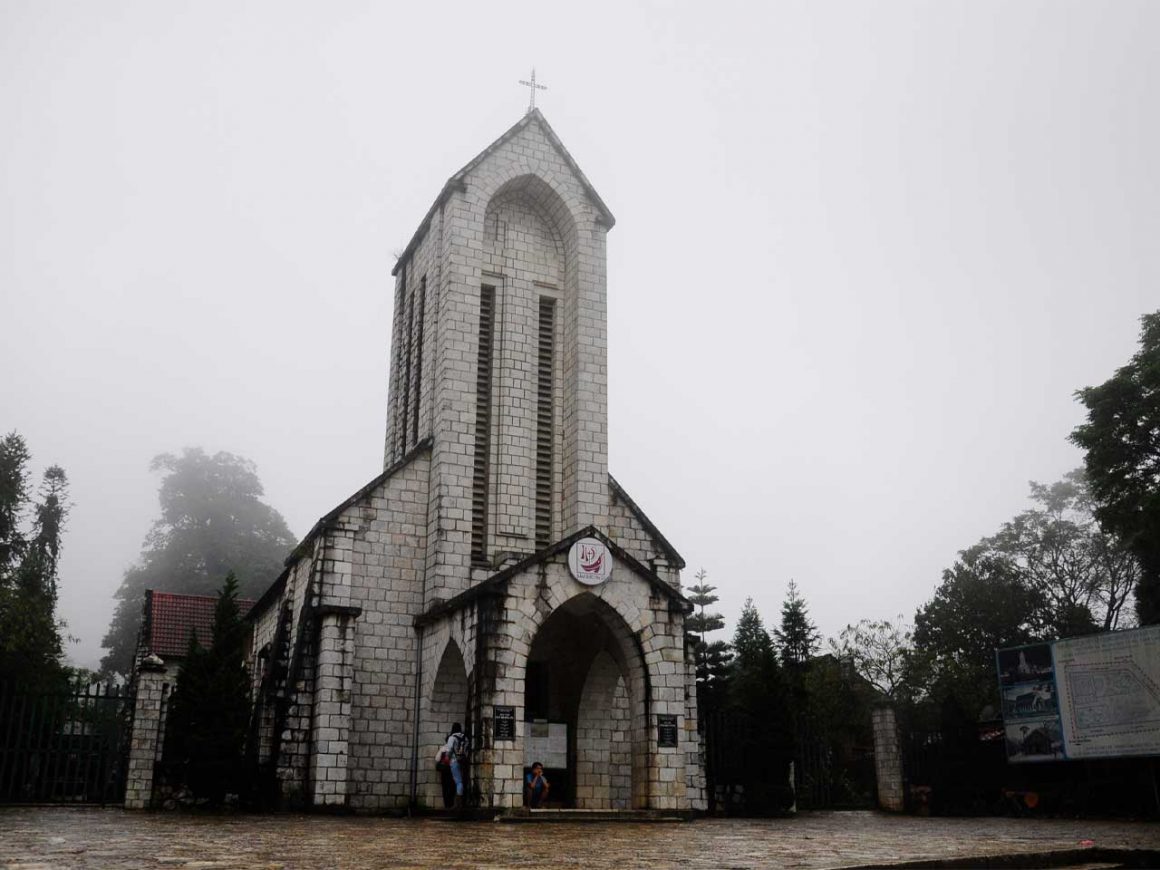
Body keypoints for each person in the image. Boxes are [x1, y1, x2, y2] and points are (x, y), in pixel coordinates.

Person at [436, 722, 468, 809]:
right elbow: (466, 750)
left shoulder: (452, 738)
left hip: (454, 761)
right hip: (463, 761)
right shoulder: (465, 738)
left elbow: (449, 749)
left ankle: (458, 803)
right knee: (461, 780)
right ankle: (460, 801)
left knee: (458, 781)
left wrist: (447, 758)